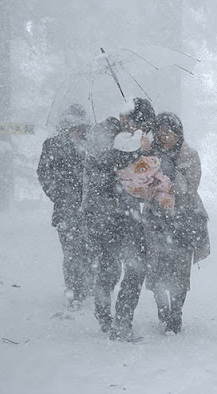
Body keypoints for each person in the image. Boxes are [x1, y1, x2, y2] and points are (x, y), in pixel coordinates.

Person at [82, 97, 156, 342]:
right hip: (104, 214)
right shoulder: (104, 132)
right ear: (125, 117)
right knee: (109, 268)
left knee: (136, 267)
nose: (140, 130)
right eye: (138, 124)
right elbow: (107, 164)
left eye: (145, 127)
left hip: (130, 212)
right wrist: (135, 148)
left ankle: (123, 321)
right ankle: (104, 316)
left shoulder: (132, 137)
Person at [144, 112, 210, 334]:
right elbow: (140, 186)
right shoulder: (148, 154)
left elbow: (190, 188)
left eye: (169, 132)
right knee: (156, 269)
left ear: (178, 133)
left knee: (179, 272)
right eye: (160, 132)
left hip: (183, 220)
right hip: (155, 221)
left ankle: (176, 314)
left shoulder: (189, 155)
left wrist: (173, 174)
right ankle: (162, 308)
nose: (164, 137)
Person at [37, 103, 94, 310]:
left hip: (91, 209)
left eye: (79, 126)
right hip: (65, 209)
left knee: (90, 250)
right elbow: (44, 173)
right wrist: (59, 194)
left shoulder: (93, 145)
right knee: (71, 252)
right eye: (71, 126)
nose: (75, 130)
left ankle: (89, 287)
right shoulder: (52, 145)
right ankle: (74, 291)